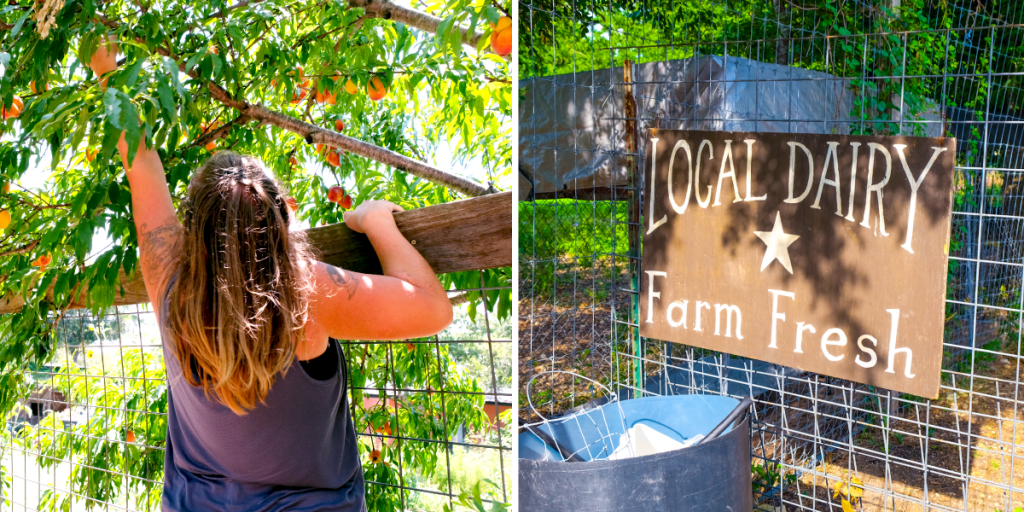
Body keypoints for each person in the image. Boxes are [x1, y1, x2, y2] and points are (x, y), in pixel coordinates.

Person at [88, 37, 453, 511]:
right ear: (280, 219)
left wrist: (107, 75)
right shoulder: (304, 291)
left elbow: (140, 161)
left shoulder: (168, 278)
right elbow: (433, 308)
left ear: (193, 226)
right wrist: (376, 221)